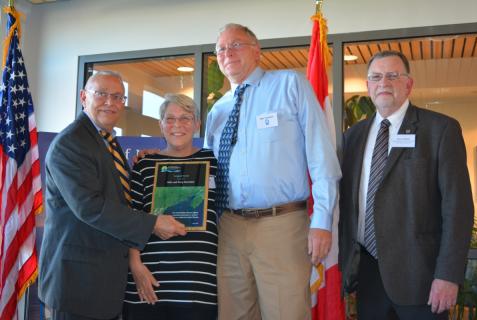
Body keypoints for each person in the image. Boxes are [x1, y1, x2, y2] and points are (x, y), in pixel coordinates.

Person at [204, 23, 341, 320]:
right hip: (228, 227)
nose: (228, 53)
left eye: (236, 44)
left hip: (281, 225)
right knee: (233, 315)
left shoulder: (290, 85)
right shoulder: (217, 111)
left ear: (257, 50)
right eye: (221, 49)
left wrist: (323, 221)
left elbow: (322, 156)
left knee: (286, 314)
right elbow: (207, 173)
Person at [38, 71, 186, 320]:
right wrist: (153, 223)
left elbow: (117, 197)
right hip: (77, 286)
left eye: (118, 96)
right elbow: (90, 207)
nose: (111, 102)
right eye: (102, 94)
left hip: (102, 285)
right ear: (84, 97)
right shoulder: (71, 143)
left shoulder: (107, 141)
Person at [339, 50, 474, 319]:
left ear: (408, 84)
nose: (383, 83)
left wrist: (448, 275)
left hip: (422, 279)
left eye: (393, 75)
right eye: (376, 77)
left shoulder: (440, 130)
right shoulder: (352, 137)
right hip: (367, 276)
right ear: (368, 86)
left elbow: (458, 209)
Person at [122, 94, 218, 320]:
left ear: (197, 125)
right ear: (161, 125)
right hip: (150, 279)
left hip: (200, 283)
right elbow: (131, 216)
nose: (177, 125)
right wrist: (135, 265)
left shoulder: (214, 161)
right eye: (170, 119)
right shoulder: (144, 164)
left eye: (185, 118)